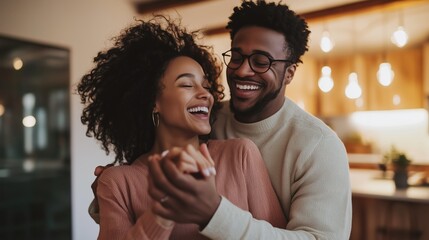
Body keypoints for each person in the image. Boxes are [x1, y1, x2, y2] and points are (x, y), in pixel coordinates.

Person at [147, 1, 352, 239]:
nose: (243, 71)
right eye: (236, 57)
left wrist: (214, 214)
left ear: (290, 73)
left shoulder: (319, 145)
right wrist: (112, 189)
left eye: (261, 61)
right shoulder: (206, 119)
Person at [78, 16, 286, 239]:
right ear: (152, 102)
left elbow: (277, 235)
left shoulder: (240, 155)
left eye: (206, 86)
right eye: (187, 84)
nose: (205, 94)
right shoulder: (118, 182)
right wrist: (161, 212)